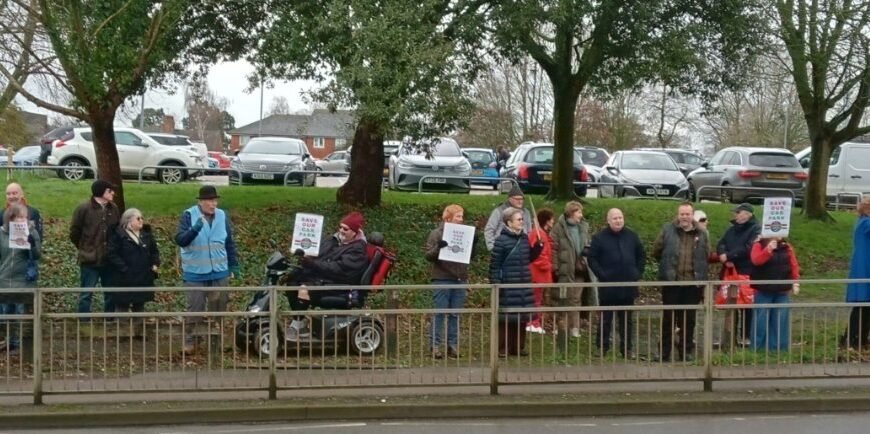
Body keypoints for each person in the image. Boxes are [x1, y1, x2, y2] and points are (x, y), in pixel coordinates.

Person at [174, 185, 240, 353]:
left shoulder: (222, 216)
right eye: (210, 201)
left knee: (219, 307)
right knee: (195, 308)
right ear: (201, 202)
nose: (213, 204)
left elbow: (228, 242)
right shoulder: (188, 215)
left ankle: (217, 340)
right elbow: (181, 240)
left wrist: (233, 265)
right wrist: (195, 229)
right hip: (195, 273)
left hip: (219, 271)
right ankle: (191, 340)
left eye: (215, 200)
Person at [286, 211, 369, 339]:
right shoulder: (334, 240)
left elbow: (338, 269)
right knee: (292, 281)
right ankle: (301, 321)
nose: (341, 230)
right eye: (340, 227)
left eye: (345, 229)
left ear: (354, 232)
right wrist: (305, 253)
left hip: (340, 283)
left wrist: (312, 264)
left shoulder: (357, 249)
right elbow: (318, 252)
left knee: (304, 289)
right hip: (325, 277)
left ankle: (298, 325)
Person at [652, 202, 710, 362]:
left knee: (689, 320)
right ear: (678, 215)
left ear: (692, 215)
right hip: (672, 283)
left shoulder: (703, 233)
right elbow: (656, 251)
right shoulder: (667, 230)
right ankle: (663, 352)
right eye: (682, 214)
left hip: (692, 284)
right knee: (668, 319)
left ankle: (686, 351)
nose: (685, 217)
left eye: (688, 214)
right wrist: (668, 267)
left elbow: (705, 256)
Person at [587, 208, 645, 358]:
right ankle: (602, 347)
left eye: (620, 218)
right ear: (608, 220)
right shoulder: (599, 238)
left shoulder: (632, 236)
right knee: (605, 319)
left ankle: (627, 349)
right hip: (608, 286)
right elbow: (592, 259)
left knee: (626, 320)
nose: (618, 220)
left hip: (628, 285)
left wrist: (637, 273)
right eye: (615, 218)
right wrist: (602, 275)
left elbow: (641, 255)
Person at [489, 207, 542, 357]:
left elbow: (528, 257)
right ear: (509, 222)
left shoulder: (524, 238)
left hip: (523, 282)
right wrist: (496, 283)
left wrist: (537, 249)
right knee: (506, 317)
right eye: (518, 219)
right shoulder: (501, 241)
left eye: (521, 219)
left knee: (521, 317)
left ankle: (518, 346)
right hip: (507, 283)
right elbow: (495, 264)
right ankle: (502, 348)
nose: (522, 222)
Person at [424, 205, 475, 358]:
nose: (461, 219)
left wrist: (474, 245)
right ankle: (435, 345)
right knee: (440, 312)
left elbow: (469, 255)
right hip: (442, 277)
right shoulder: (437, 233)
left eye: (462, 216)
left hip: (460, 278)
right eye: (458, 216)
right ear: (448, 218)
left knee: (455, 314)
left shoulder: (464, 234)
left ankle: (452, 345)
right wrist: (438, 248)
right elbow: (428, 255)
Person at [70, 180, 120, 316]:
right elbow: (75, 232)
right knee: (86, 293)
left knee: (110, 293)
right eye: (110, 191)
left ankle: (109, 320)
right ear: (101, 192)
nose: (113, 193)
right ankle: (84, 322)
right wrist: (85, 248)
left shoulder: (114, 208)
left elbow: (117, 232)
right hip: (89, 259)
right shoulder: (83, 209)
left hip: (109, 259)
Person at [0, 183, 43, 334]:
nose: (22, 220)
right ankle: (9, 342)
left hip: (23, 278)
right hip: (5, 279)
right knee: (6, 313)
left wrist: (31, 245)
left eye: (24, 217)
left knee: (23, 313)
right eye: (19, 218)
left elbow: (38, 254)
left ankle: (24, 345)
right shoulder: (1, 232)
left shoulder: (33, 226)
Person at [549, 201, 593, 344]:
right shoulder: (558, 228)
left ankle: (575, 327)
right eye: (579, 212)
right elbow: (553, 248)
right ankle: (561, 326)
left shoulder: (584, 228)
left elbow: (588, 244)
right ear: (571, 213)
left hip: (580, 269)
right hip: (564, 268)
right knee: (562, 298)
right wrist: (555, 267)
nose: (581, 215)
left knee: (576, 298)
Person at [717, 202, 760, 345]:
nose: (736, 215)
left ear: (748, 214)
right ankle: (730, 336)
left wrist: (729, 256)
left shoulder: (755, 230)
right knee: (731, 304)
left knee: (747, 305)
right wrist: (723, 255)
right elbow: (721, 243)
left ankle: (746, 336)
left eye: (738, 212)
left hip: (746, 271)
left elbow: (749, 248)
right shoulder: (731, 229)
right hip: (730, 272)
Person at [750, 236, 800, 352]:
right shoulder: (758, 245)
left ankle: (778, 349)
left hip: (782, 290)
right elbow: (756, 260)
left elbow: (794, 265)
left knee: (780, 321)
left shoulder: (787, 247)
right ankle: (758, 349)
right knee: (760, 321)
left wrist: (795, 282)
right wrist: (768, 250)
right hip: (763, 290)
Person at [106, 208, 160, 314]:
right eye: (138, 218)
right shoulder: (118, 235)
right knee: (122, 307)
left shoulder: (146, 235)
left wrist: (155, 264)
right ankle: (121, 329)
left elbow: (154, 252)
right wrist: (124, 268)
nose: (141, 220)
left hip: (142, 277)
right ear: (128, 220)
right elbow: (112, 254)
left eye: (142, 218)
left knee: (139, 307)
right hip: (123, 278)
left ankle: (138, 330)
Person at [843, 197, 870, 351]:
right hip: (864, 267)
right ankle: (853, 339)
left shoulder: (862, 222)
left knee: (865, 307)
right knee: (862, 306)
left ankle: (859, 339)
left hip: (863, 266)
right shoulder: (866, 224)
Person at [526, 208, 554, 335]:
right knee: (535, 299)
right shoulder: (537, 234)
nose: (553, 221)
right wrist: (548, 265)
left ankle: (535, 321)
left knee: (539, 298)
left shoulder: (542, 234)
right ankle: (532, 323)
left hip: (541, 272)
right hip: (537, 272)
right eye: (552, 219)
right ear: (547, 221)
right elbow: (538, 256)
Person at [484, 185, 531, 251]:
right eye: (517, 199)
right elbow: (489, 229)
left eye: (522, 199)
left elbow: (529, 231)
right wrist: (492, 247)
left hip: (522, 248)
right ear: (510, 199)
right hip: (503, 248)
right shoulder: (499, 211)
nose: (520, 201)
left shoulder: (526, 213)